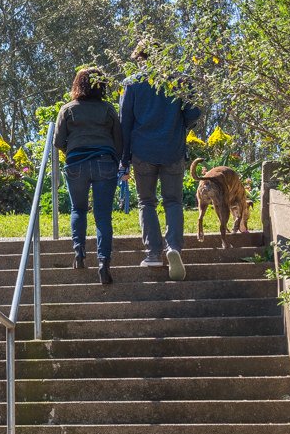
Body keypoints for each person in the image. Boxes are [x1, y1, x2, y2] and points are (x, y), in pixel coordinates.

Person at [117, 46, 203, 279]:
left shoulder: (131, 84)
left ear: (139, 59)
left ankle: (153, 253)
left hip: (143, 152)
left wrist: (123, 160)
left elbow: (124, 123)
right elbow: (194, 113)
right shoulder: (180, 81)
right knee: (173, 202)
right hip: (173, 151)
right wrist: (180, 126)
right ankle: (173, 247)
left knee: (147, 202)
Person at [55, 66, 125, 285]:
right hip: (105, 162)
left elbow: (58, 142)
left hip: (76, 163)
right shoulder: (107, 109)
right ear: (101, 85)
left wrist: (73, 151)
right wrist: (116, 160)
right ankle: (103, 263)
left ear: (78, 85)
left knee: (78, 209)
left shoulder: (67, 109)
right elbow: (119, 140)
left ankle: (79, 253)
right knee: (103, 215)